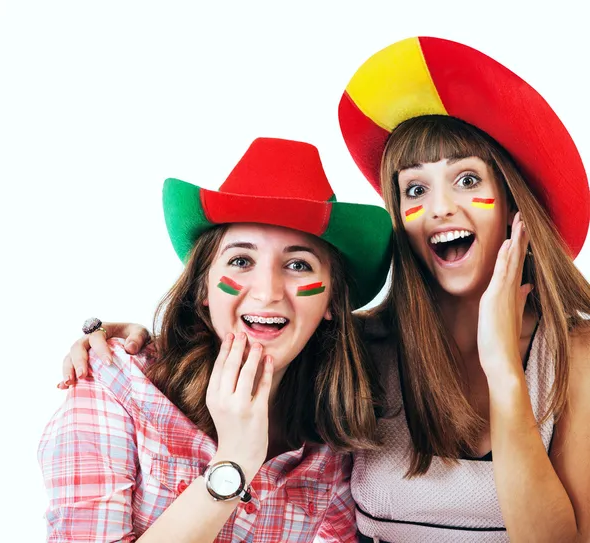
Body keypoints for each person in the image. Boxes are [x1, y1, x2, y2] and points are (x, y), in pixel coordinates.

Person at [59, 38, 590, 542]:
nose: (440, 207)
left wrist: (503, 371)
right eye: (415, 188)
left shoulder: (575, 356)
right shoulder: (361, 354)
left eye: (468, 180)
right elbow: (263, 333)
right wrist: (130, 343)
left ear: (515, 202)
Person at [38, 137, 394, 542]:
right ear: (203, 288)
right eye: (241, 260)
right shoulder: (117, 387)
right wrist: (235, 460)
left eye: (298, 264)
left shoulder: (331, 447)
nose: (267, 291)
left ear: (332, 298)